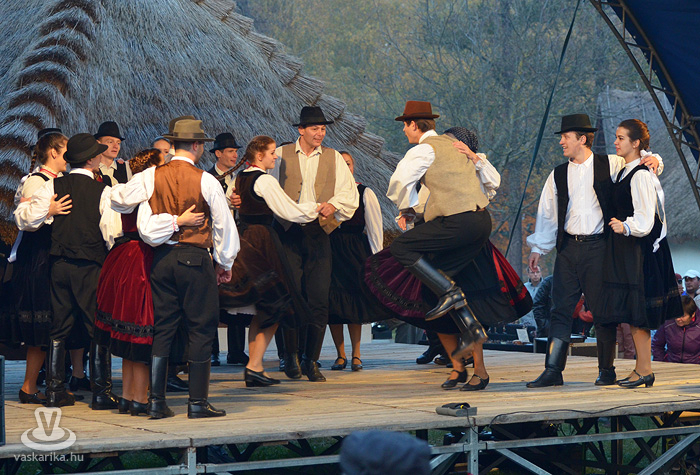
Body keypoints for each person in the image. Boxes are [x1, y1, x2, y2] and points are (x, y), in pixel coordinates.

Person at [385, 104, 520, 391]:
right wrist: (411, 211)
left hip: (456, 230)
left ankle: (478, 369)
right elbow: (432, 199)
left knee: (458, 293)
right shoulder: (445, 154)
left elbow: (399, 183)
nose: (404, 130)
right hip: (452, 229)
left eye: (405, 125)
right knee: (434, 299)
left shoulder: (429, 151)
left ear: (413, 124)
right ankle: (458, 366)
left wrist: (404, 205)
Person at [111, 119, 238, 418]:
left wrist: (163, 217)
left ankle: (156, 401)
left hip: (162, 259)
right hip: (194, 258)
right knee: (201, 328)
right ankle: (197, 403)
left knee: (163, 328)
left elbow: (119, 199)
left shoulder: (151, 175)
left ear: (174, 144)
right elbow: (224, 225)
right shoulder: (206, 180)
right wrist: (224, 262)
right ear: (197, 145)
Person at [526, 113, 662, 388]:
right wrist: (539, 247)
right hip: (568, 248)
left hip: (600, 247)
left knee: (603, 311)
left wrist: (656, 159)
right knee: (560, 309)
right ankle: (553, 370)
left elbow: (639, 161)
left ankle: (606, 370)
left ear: (582, 139)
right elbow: (548, 213)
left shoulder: (610, 163)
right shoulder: (558, 174)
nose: (562, 142)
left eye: (566, 137)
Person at [95, 149, 204, 416]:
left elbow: (112, 221)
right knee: (143, 331)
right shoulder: (149, 190)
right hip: (142, 258)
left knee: (129, 332)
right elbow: (149, 231)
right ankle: (140, 398)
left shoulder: (121, 190)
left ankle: (128, 396)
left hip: (121, 256)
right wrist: (179, 221)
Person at [18, 133, 122, 408]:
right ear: (91, 160)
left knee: (59, 327)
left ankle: (55, 390)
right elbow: (111, 233)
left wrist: (47, 212)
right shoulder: (103, 191)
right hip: (90, 265)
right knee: (96, 326)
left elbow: (23, 219)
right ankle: (101, 392)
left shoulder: (52, 184)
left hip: (59, 264)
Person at [270, 106, 359, 382]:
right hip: (287, 232)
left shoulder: (333, 158)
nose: (320, 134)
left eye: (323, 129)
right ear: (301, 130)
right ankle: (291, 356)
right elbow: (266, 188)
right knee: (291, 294)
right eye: (314, 129)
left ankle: (311, 360)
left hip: (318, 232)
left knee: (319, 297)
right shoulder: (281, 154)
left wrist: (334, 205)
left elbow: (349, 193)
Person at [222, 135, 319, 386]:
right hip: (262, 241)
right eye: (272, 152)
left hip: (244, 239)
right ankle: (254, 365)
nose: (276, 157)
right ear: (259, 156)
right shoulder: (264, 180)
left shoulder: (239, 177)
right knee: (276, 303)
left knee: (263, 305)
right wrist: (316, 208)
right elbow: (288, 211)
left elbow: (230, 202)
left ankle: (255, 367)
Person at [598, 119, 682, 387]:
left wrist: (625, 226)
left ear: (635, 143)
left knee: (638, 312)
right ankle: (641, 368)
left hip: (641, 250)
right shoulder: (624, 169)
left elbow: (645, 219)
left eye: (621, 138)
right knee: (634, 313)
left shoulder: (641, 175)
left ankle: (645, 369)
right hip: (628, 249)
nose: (615, 142)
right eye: (616, 137)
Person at [9, 129, 70, 404]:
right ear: (54, 152)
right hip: (37, 258)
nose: (69, 156)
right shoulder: (35, 181)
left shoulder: (58, 180)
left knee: (51, 324)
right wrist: (49, 211)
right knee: (40, 324)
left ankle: (50, 383)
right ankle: (29, 386)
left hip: (50, 255)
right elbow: (23, 219)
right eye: (65, 150)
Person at [328, 151, 383, 372]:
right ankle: (340, 355)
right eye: (341, 164)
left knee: (354, 303)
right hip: (331, 251)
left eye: (348, 164)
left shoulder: (364, 192)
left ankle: (356, 355)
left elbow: (374, 229)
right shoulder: (326, 194)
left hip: (355, 252)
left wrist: (378, 259)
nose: (345, 168)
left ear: (354, 167)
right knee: (333, 304)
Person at [206, 132, 249, 368]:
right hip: (212, 243)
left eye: (236, 151)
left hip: (237, 242)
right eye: (230, 151)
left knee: (237, 294)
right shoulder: (206, 178)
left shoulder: (241, 179)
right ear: (218, 153)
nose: (235, 155)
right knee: (211, 297)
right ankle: (212, 350)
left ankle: (236, 350)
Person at [652, 295, 700, 364]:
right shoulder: (667, 323)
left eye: (682, 316)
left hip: (695, 365)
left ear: (692, 315)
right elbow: (657, 345)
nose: (678, 319)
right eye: (676, 315)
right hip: (671, 363)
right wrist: (660, 362)